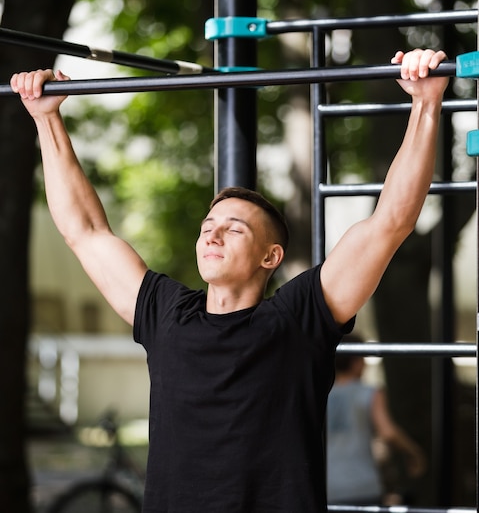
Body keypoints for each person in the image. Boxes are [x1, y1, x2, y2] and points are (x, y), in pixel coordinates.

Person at [11, 48, 448, 513]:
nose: (212, 234)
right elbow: (86, 231)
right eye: (207, 226)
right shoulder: (166, 312)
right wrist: (46, 119)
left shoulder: (300, 319)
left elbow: (389, 224)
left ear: (270, 256)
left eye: (234, 228)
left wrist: (425, 103)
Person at [327, 333, 426, 506]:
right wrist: (413, 452)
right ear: (356, 361)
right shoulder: (370, 393)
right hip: (361, 484)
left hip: (325, 486)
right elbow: (388, 432)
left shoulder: (320, 394)